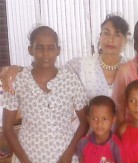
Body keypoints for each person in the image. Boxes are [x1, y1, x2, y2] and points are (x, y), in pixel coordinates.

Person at [2, 26, 88, 163]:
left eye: (50, 48)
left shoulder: (70, 80)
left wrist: (69, 155)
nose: (45, 53)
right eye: (39, 47)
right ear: (30, 50)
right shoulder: (18, 81)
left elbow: (84, 122)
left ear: (58, 50)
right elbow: (8, 127)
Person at [1, 14, 129, 99]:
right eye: (106, 33)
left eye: (117, 35)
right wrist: (19, 69)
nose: (110, 39)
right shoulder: (81, 66)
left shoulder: (131, 69)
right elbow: (51, 75)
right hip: (86, 137)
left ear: (125, 41)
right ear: (100, 36)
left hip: (125, 136)